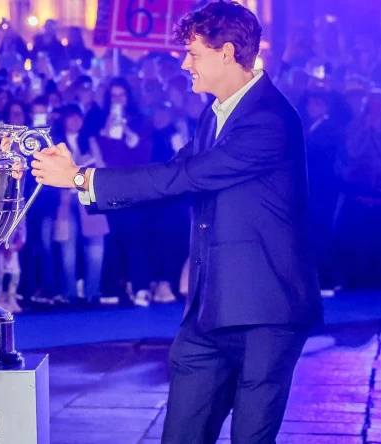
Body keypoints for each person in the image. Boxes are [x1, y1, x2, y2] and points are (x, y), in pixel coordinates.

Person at [31, 2, 323, 442]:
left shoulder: (270, 119)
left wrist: (80, 178)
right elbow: (170, 177)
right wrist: (83, 177)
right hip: (210, 309)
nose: (185, 63)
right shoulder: (214, 115)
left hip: (267, 311)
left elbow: (187, 176)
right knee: (181, 434)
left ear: (227, 53)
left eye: (193, 53)